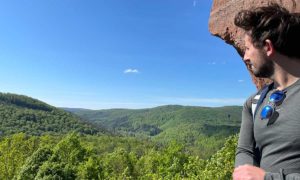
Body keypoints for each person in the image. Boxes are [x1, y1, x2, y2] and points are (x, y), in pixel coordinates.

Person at [232, 3, 300, 180]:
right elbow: (245, 150)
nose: (245, 57)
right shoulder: (253, 102)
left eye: (248, 48)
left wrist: (267, 178)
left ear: (268, 47)